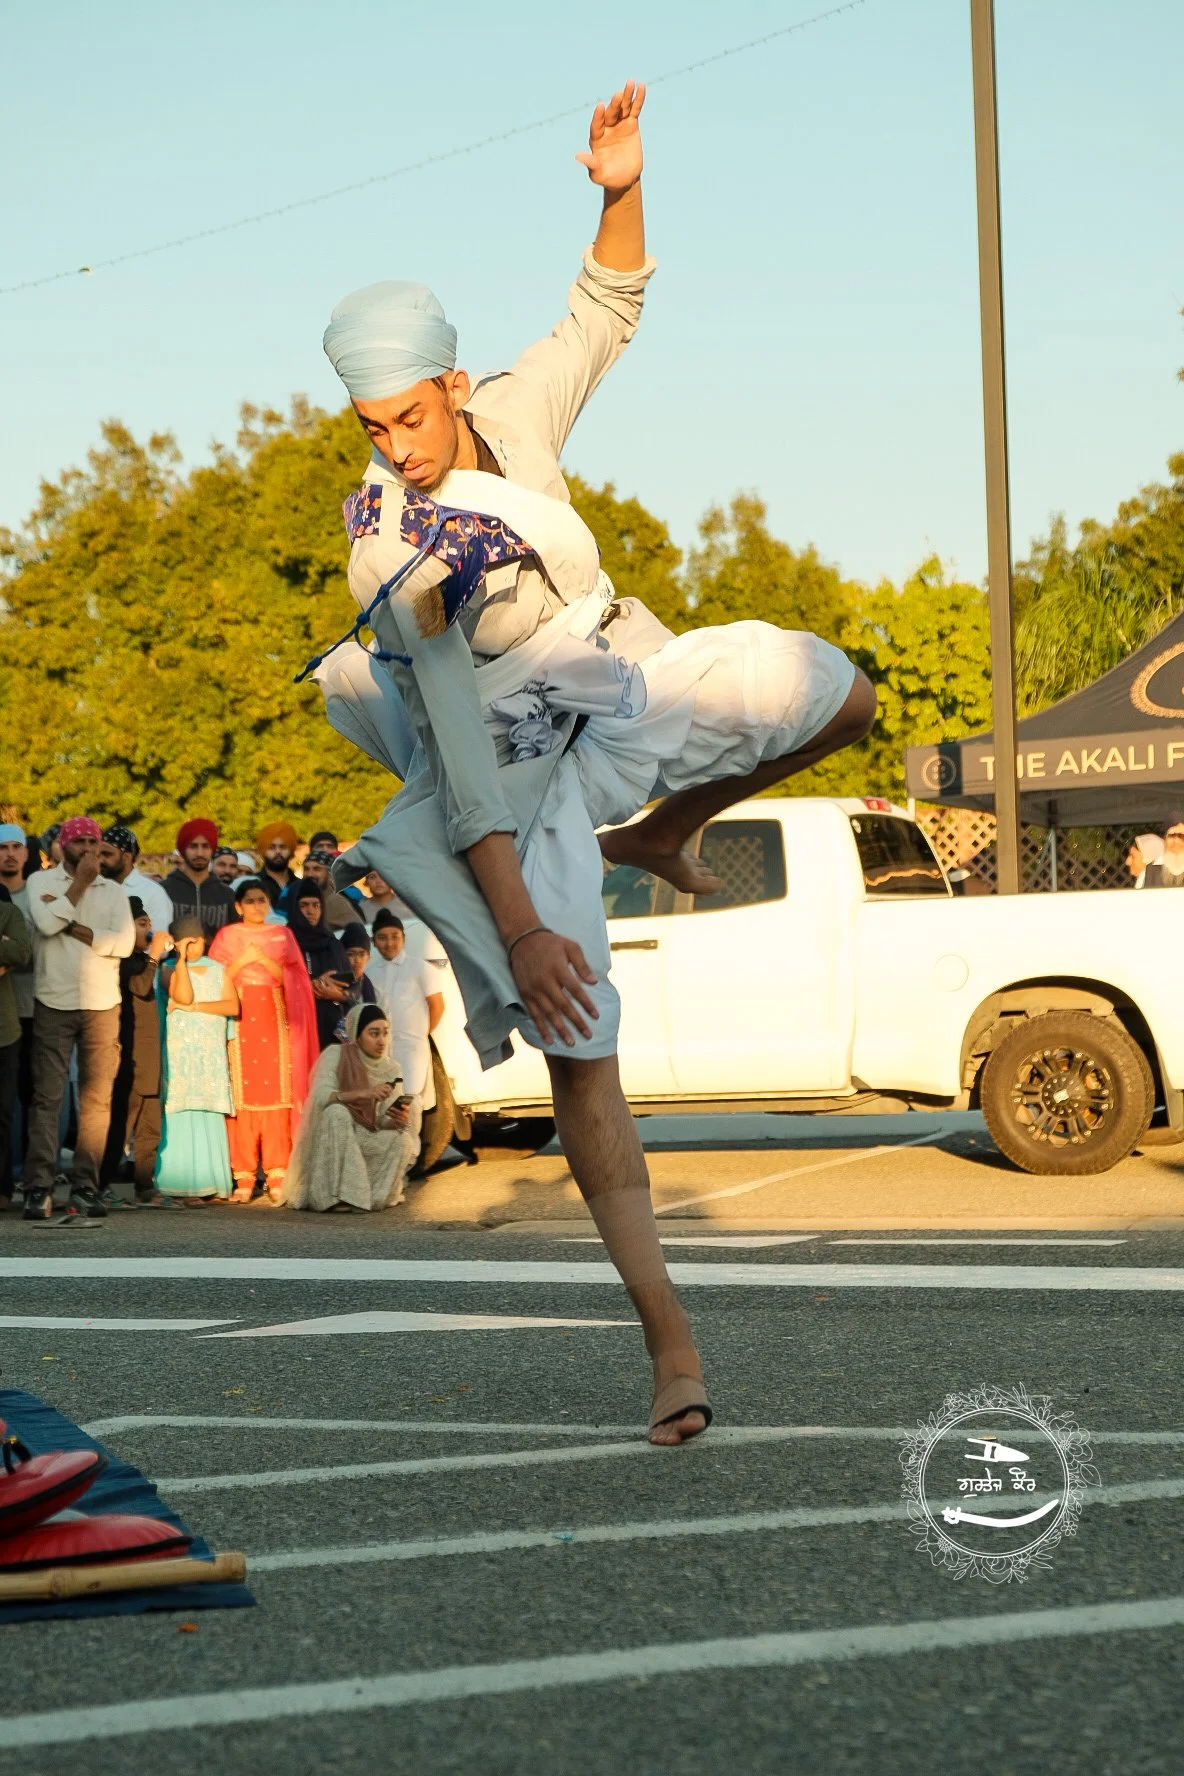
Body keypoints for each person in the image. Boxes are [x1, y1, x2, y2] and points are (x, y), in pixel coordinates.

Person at [314, 84, 875, 1441]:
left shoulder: (512, 408)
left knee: (839, 694)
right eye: (371, 428)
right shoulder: (388, 541)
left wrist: (619, 188)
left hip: (617, 677)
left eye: (410, 417)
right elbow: (449, 731)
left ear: (453, 385)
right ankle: (672, 1349)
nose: (396, 446)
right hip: (508, 767)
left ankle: (665, 834)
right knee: (582, 1050)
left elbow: (604, 311)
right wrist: (520, 923)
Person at [22, 815, 135, 1221]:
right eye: (81, 841)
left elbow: (123, 945)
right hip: (53, 1001)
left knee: (95, 1101)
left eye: (95, 842)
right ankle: (39, 1187)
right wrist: (81, 884)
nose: (89, 848)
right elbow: (47, 923)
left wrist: (79, 929)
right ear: (63, 846)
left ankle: (86, 1186)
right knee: (47, 1099)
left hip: (102, 1003)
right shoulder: (41, 883)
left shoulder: (114, 890)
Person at [209, 877, 318, 1202]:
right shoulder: (227, 936)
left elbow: (297, 977)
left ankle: (276, 1172)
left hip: (276, 1020)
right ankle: (242, 1176)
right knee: (242, 1098)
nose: (257, 906)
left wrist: (266, 962)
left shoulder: (282, 935)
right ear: (238, 906)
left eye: (262, 900)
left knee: (278, 1096)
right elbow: (211, 979)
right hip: (238, 1021)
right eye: (251, 901)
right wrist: (241, 962)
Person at [283, 1004, 419, 1212]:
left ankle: (369, 1197)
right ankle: (334, 1197)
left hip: (366, 1135)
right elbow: (320, 1096)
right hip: (338, 1133)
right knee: (336, 1112)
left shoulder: (392, 1068)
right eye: (374, 1034)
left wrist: (396, 1119)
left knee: (403, 1140)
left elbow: (381, 1121)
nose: (381, 1041)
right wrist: (364, 1093)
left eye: (385, 1033)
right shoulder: (336, 1055)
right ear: (357, 1033)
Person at [155, 917, 238, 1201]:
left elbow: (231, 1005)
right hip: (180, 1051)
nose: (194, 947)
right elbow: (183, 994)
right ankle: (178, 1183)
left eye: (198, 941)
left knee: (207, 1106)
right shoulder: (166, 970)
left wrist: (198, 1008)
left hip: (209, 1050)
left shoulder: (219, 969)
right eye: (187, 943)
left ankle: (210, 1181)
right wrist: (179, 960)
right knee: (180, 1105)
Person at [100, 897, 170, 1204]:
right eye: (142, 925)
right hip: (129, 1058)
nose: (150, 931)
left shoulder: (145, 960)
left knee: (149, 1126)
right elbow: (140, 988)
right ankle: (99, 1186)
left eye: (149, 925)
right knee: (120, 1126)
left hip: (151, 1059)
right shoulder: (121, 963)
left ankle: (145, 1185)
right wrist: (155, 956)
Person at [365, 910, 444, 1111]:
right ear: (374, 941)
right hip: (381, 1051)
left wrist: (420, 1033)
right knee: (385, 1105)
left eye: (395, 937)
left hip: (411, 1047)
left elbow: (437, 1005)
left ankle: (410, 1143)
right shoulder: (370, 973)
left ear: (404, 939)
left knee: (409, 1102)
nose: (389, 943)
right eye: (382, 938)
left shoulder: (420, 968)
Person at [0, 824, 35, 1195]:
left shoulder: (37, 894)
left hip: (33, 1006)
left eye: (15, 847)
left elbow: (28, 953)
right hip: (5, 1011)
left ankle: (32, 1176)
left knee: (32, 1096)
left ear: (26, 853)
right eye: (2, 847)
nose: (8, 854)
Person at [285, 882, 352, 1051]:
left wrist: (339, 995)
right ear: (294, 907)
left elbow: (351, 986)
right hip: (297, 1026)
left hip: (331, 1030)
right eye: (304, 905)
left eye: (316, 905)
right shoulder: (285, 941)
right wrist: (312, 984)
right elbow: (281, 982)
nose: (311, 911)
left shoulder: (332, 944)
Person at [165, 817, 238, 940]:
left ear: (212, 850)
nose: (200, 853)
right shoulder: (164, 891)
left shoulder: (227, 895)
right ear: (183, 850)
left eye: (205, 846)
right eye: (193, 846)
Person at [98, 823, 174, 934]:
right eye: (98, 854)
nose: (100, 860)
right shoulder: (94, 887)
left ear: (126, 857)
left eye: (107, 854)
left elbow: (158, 941)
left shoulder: (152, 893)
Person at [281, 849, 357, 932]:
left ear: (330, 875)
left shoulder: (336, 902)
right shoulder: (293, 895)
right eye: (306, 869)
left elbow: (359, 933)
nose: (310, 874)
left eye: (317, 869)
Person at [340, 922, 379, 1020]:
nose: (357, 960)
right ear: (341, 956)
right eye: (351, 954)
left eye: (361, 954)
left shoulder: (378, 994)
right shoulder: (332, 987)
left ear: (368, 957)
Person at [257, 821, 300, 903]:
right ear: (263, 851)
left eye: (283, 847)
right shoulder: (252, 883)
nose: (278, 852)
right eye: (271, 848)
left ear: (291, 850)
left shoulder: (301, 886)